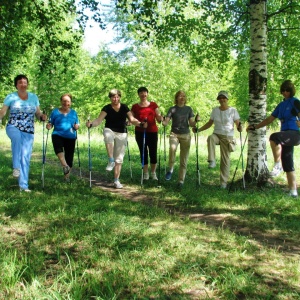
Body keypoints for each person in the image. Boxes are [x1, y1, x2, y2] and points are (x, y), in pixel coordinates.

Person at [247, 80, 300, 197]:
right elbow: (269, 119)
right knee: (288, 161)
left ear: (291, 91)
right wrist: (255, 126)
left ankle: (277, 165)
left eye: (287, 90)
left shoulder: (295, 102)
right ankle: (293, 192)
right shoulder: (281, 105)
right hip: (285, 135)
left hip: (294, 134)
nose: (285, 92)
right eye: (283, 90)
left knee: (274, 137)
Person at [86, 89, 147, 189]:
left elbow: (132, 119)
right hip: (109, 129)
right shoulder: (107, 108)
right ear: (110, 98)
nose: (115, 99)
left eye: (117, 97)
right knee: (107, 135)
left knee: (119, 158)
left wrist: (140, 124)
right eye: (113, 97)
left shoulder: (124, 107)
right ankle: (110, 160)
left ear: (120, 97)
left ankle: (116, 180)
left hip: (121, 132)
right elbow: (98, 120)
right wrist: (91, 124)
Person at [0, 74, 47, 192]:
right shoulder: (11, 97)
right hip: (13, 126)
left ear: (27, 84)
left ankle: (24, 186)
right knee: (16, 139)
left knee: (25, 156)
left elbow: (37, 113)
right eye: (20, 82)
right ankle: (16, 167)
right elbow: (3, 112)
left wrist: (41, 116)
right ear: (16, 85)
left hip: (29, 130)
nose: (23, 84)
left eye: (25, 82)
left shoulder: (33, 97)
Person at [195, 91, 242, 189]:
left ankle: (223, 183)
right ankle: (212, 160)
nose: (221, 100)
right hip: (217, 134)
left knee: (225, 160)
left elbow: (238, 124)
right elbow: (209, 123)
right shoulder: (215, 110)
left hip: (227, 136)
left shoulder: (233, 110)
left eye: (223, 98)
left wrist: (240, 128)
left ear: (227, 99)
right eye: (220, 98)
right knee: (211, 138)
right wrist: (198, 130)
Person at [162, 90, 199, 188]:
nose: (182, 98)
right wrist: (163, 121)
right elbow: (166, 122)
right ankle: (170, 169)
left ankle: (181, 181)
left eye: (184, 96)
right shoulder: (172, 109)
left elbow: (191, 124)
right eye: (180, 96)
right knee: (172, 148)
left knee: (184, 159)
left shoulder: (188, 109)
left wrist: (196, 120)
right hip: (174, 134)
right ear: (176, 98)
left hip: (186, 135)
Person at [131, 87, 163, 181]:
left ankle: (153, 173)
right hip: (140, 132)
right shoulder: (135, 106)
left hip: (152, 132)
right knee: (143, 152)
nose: (143, 94)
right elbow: (131, 119)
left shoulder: (153, 105)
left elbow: (158, 118)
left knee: (153, 152)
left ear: (147, 94)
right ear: (138, 95)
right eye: (141, 93)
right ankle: (145, 173)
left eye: (145, 93)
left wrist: (161, 118)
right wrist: (133, 123)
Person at [46, 93, 79, 182]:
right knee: (58, 149)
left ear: (70, 103)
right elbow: (50, 123)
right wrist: (49, 125)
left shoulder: (73, 112)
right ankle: (65, 165)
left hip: (70, 136)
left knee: (69, 156)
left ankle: (66, 177)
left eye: (68, 101)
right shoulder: (55, 112)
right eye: (64, 101)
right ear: (61, 102)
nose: (66, 103)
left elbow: (77, 124)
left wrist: (77, 126)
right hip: (58, 134)